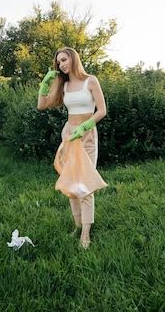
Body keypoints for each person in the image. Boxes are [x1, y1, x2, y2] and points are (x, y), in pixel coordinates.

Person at [37, 47, 107, 249]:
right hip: (69, 135)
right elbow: (42, 105)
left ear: (73, 59)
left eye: (64, 60)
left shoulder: (90, 81)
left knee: (85, 185)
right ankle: (77, 225)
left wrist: (85, 126)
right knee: (71, 184)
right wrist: (45, 83)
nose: (61, 65)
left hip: (87, 136)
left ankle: (86, 234)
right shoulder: (64, 85)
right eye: (59, 62)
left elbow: (102, 110)